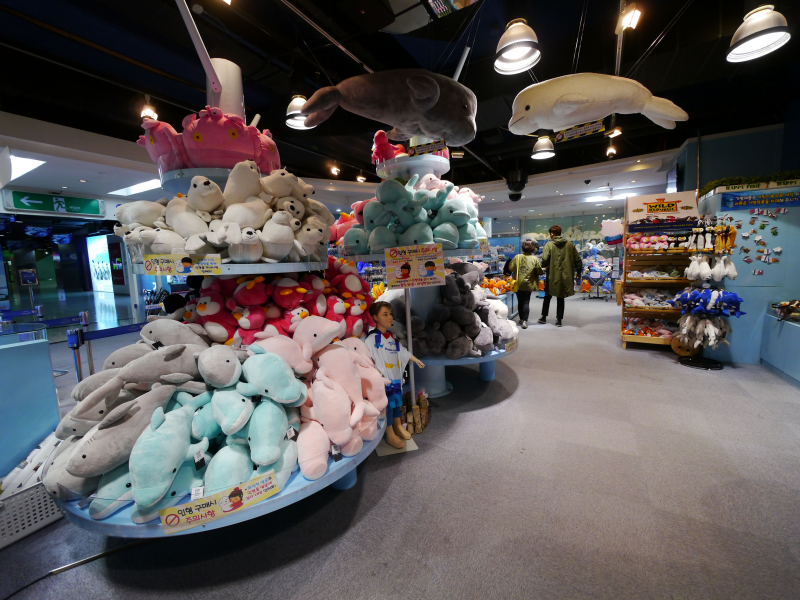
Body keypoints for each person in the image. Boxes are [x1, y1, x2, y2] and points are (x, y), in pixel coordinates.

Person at [364, 301, 425, 449]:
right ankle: (389, 432)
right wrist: (378, 374)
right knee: (389, 405)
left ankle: (398, 426)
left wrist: (415, 359)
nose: (389, 317)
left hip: (396, 377)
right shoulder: (372, 339)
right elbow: (369, 358)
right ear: (375, 317)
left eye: (390, 314)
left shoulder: (392, 337)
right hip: (385, 379)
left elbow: (401, 352)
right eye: (385, 314)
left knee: (397, 403)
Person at [538, 225, 582, 327]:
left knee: (547, 296)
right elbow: (577, 259)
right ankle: (559, 320)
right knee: (561, 297)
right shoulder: (570, 244)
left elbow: (545, 259)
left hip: (552, 275)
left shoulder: (549, 244)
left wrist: (542, 267)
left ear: (552, 234)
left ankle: (543, 317)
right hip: (565, 275)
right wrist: (579, 271)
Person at [503, 239, 544, 329]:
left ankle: (521, 318)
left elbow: (510, 268)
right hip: (529, 284)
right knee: (526, 302)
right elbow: (540, 271)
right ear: (533, 248)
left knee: (520, 301)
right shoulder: (535, 259)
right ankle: (525, 321)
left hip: (518, 283)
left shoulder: (517, 257)